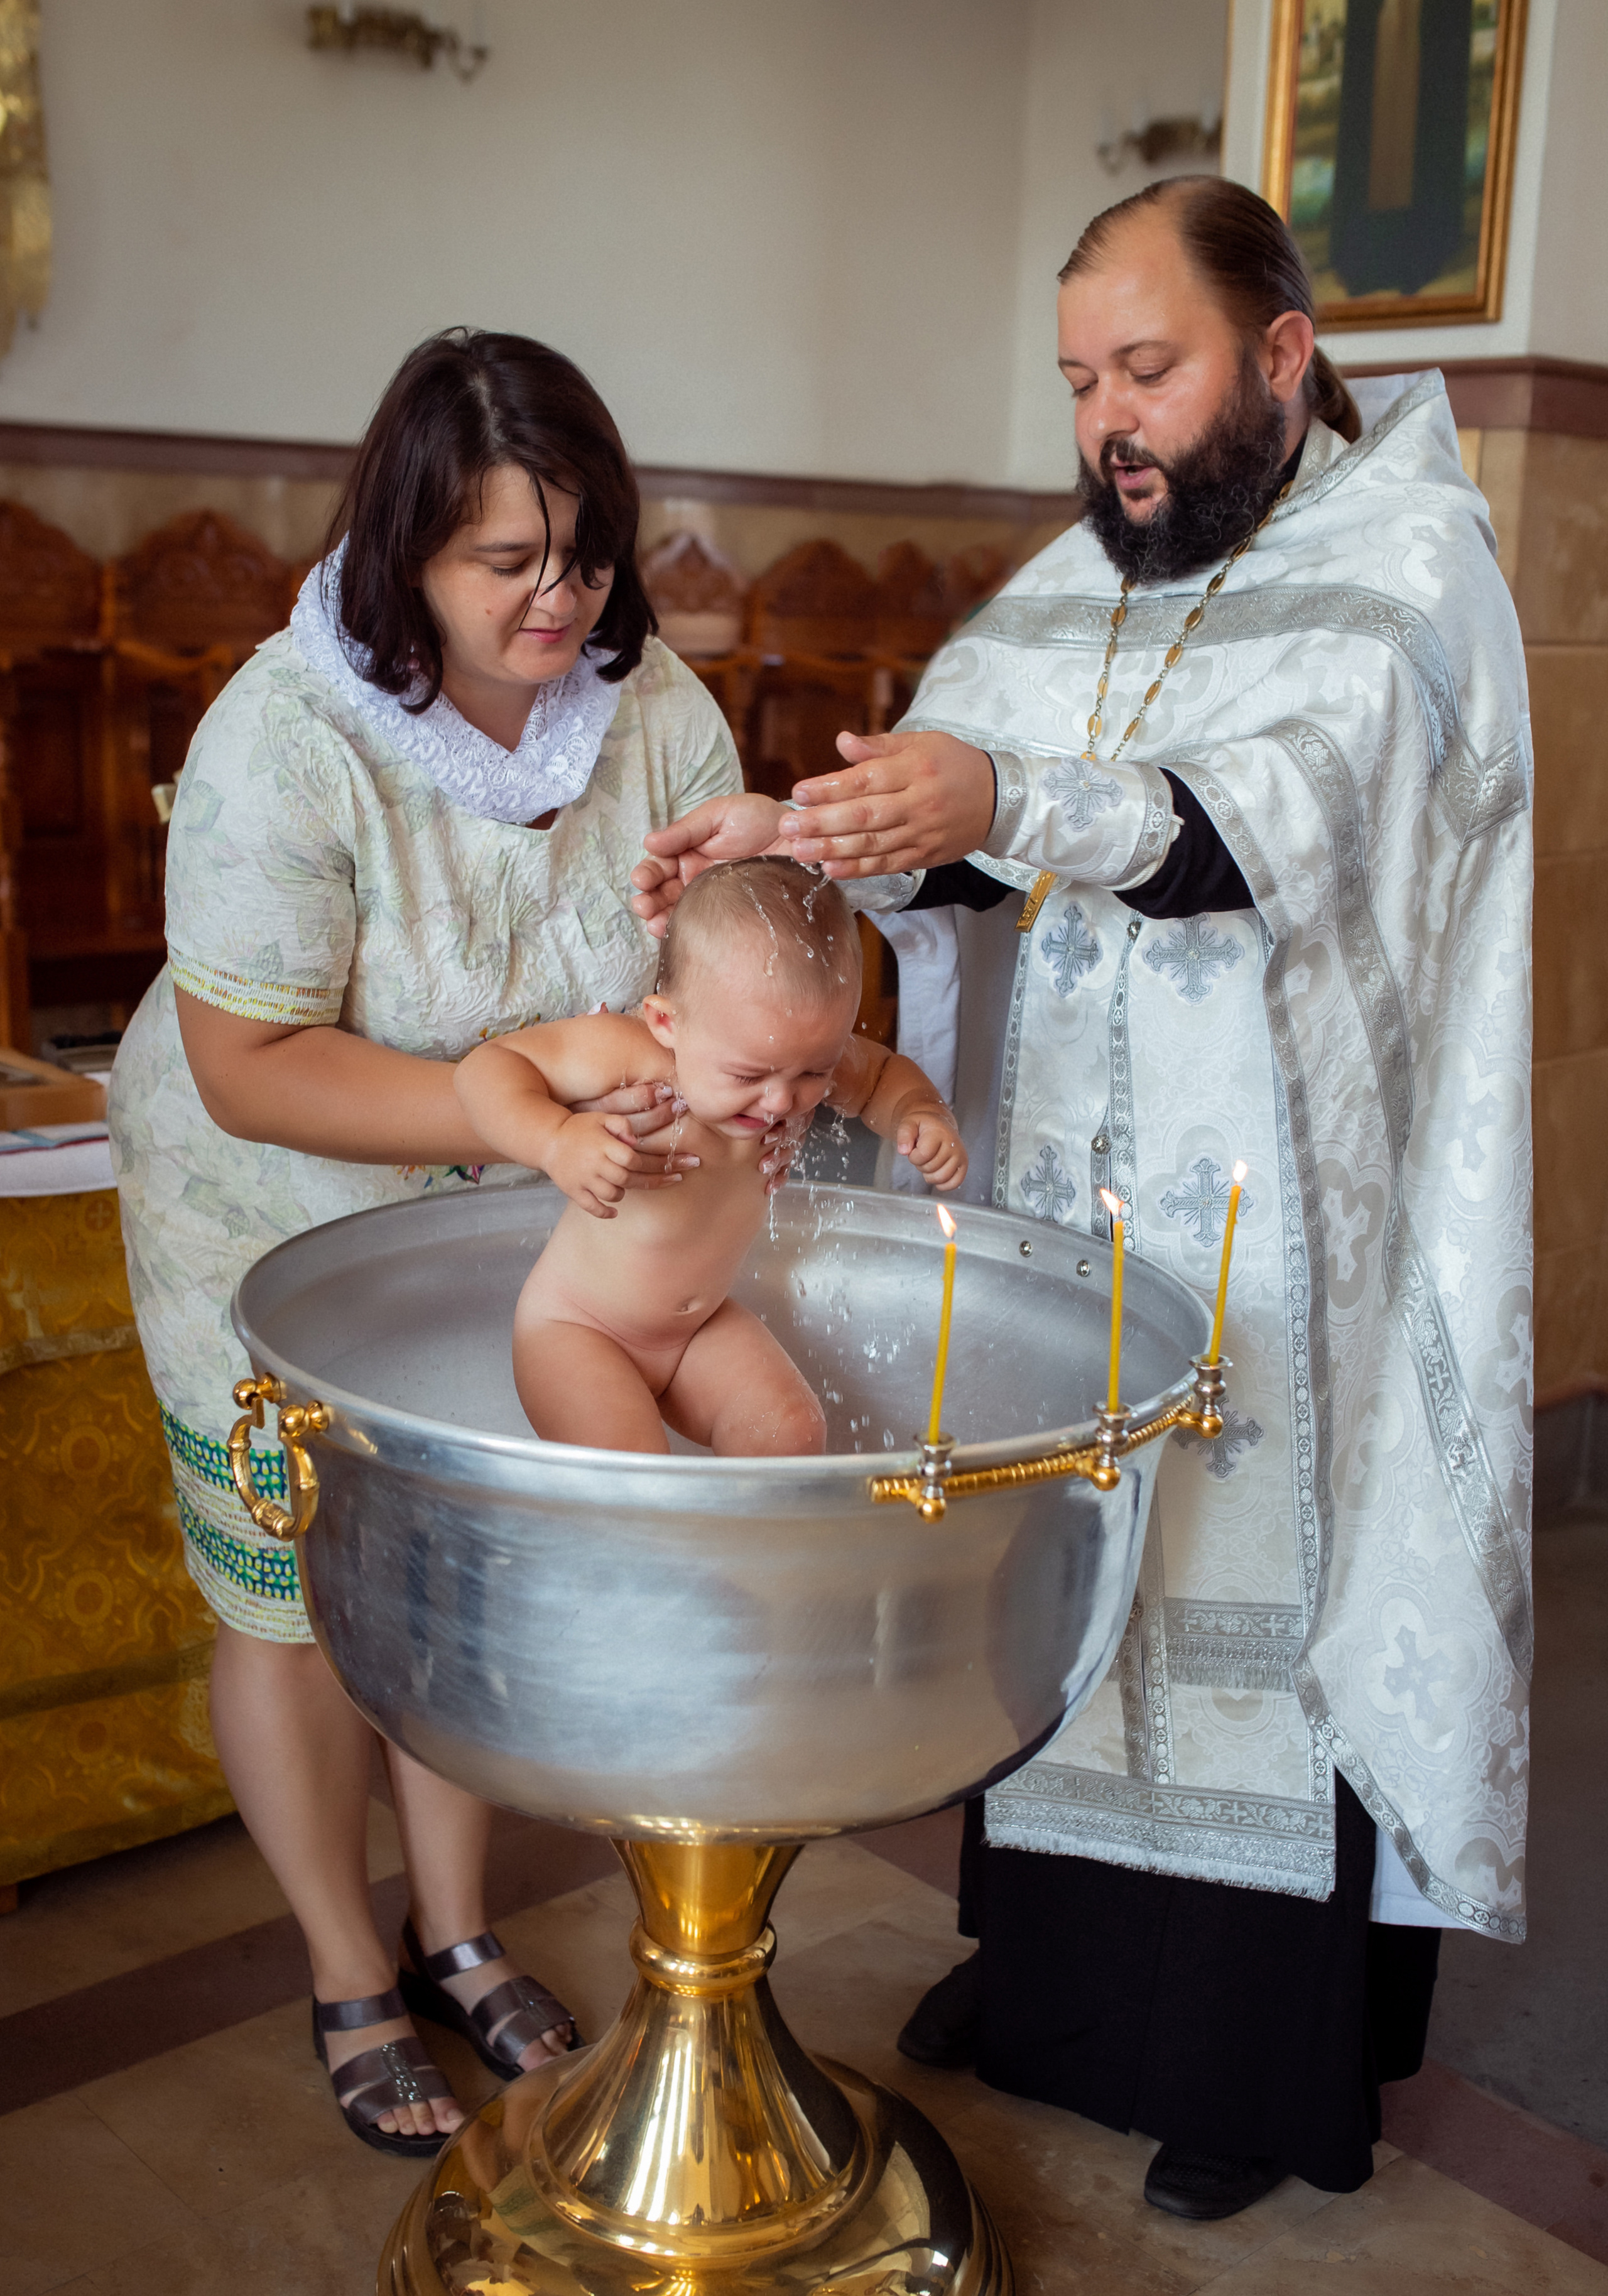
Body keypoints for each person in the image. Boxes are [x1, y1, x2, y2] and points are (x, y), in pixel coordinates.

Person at [630, 180, 1532, 2219]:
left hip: (1296, 1215)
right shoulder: (1079, 574)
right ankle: (1049, 1984)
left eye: (1152, 368)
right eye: (1078, 384)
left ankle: (1252, 2063)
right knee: (1076, 1559)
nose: (1110, 421)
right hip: (1084, 1178)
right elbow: (955, 817)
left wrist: (1006, 801)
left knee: (1252, 1593)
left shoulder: (1411, 562)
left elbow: (1260, 827)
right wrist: (796, 830)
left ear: (1283, 358)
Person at [107, 329, 781, 2157]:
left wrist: (768, 887)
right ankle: (346, 1959)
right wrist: (526, 1117)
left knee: (458, 1583)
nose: (559, 598)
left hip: (528, 1216)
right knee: (303, 1602)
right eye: (507, 562)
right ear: (409, 549)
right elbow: (246, 1066)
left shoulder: (649, 715)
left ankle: (464, 1931)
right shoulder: (288, 734)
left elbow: (724, 959)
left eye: (585, 556)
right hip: (273, 1219)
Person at [457, 858, 966, 1452]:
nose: (781, 1099)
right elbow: (485, 1071)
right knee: (633, 1476)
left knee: (791, 1431)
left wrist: (920, 1114)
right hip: (578, 1330)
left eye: (815, 1071)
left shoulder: (785, 1051)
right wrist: (553, 1139)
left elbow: (881, 1076)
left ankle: (754, 1546)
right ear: (667, 1021)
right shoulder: (633, 1054)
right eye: (748, 1073)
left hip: (696, 1330)